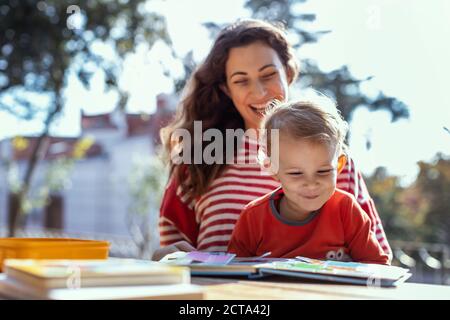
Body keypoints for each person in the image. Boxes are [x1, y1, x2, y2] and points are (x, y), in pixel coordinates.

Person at [153, 19, 391, 261]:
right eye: (241, 80)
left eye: (268, 75)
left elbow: (377, 259)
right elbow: (173, 252)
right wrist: (167, 260)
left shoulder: (334, 158)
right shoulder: (200, 156)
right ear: (226, 89)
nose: (259, 92)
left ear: (288, 73)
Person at [227, 97, 389, 265]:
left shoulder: (346, 210)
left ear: (339, 165)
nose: (311, 184)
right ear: (272, 168)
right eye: (296, 173)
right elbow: (233, 272)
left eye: (323, 171)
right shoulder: (253, 218)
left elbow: (377, 268)